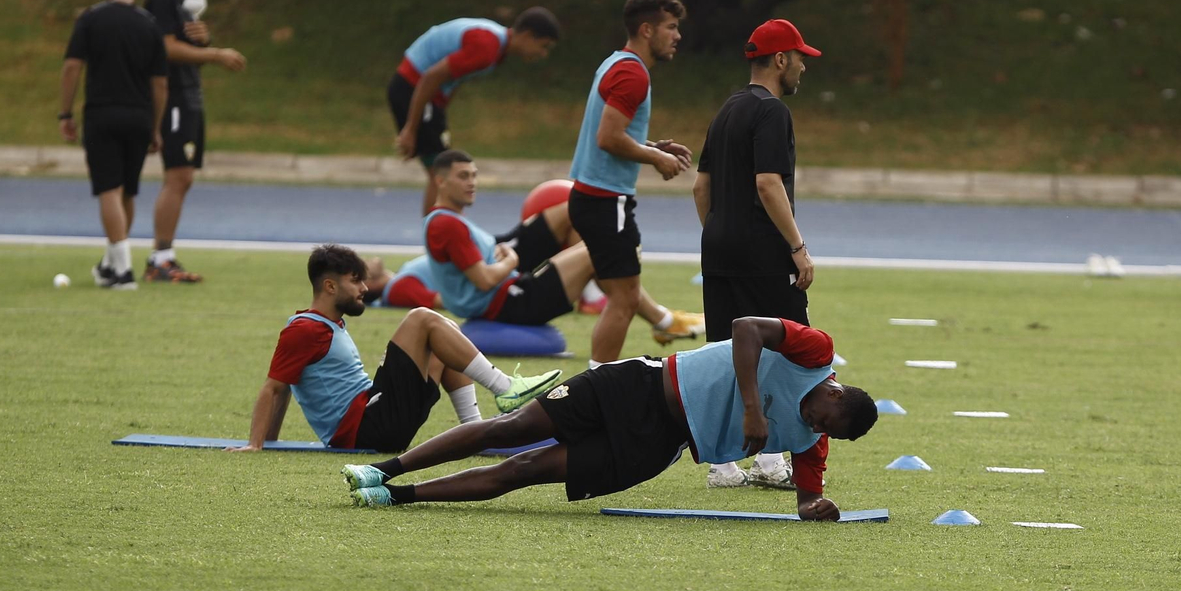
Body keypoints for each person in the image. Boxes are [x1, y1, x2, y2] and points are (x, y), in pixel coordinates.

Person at [340, 316, 879, 521]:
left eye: (830, 433)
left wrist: (815, 503)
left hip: (657, 443)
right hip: (638, 384)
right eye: (827, 417)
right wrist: (754, 407)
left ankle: (397, 497)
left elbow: (810, 492)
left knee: (527, 469)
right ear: (835, 390)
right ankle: (385, 468)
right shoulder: (815, 353)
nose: (817, 427)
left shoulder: (813, 437)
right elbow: (745, 328)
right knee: (512, 430)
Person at [229, 244, 562, 453]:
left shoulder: (329, 325)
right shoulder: (304, 329)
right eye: (355, 281)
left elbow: (284, 389)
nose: (364, 288)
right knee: (421, 319)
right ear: (329, 286)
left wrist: (268, 443)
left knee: (447, 338)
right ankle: (506, 389)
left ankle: (475, 432)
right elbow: (274, 387)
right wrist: (257, 444)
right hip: (365, 430)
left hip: (377, 421)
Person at [376, 151, 701, 343]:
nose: (472, 182)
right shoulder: (446, 224)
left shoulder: (445, 219)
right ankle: (662, 322)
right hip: (509, 299)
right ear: (440, 181)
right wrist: (511, 260)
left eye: (474, 175)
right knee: (602, 248)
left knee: (571, 209)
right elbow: (485, 281)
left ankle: (595, 295)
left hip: (506, 274)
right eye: (463, 176)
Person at [692, 18, 823, 490]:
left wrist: (720, 234)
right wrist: (797, 248)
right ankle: (771, 462)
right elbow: (768, 183)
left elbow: (700, 186)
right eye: (800, 57)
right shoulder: (772, 113)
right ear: (781, 59)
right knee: (790, 350)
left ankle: (721, 465)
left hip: (718, 246)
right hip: (763, 251)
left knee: (726, 354)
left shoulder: (726, 110)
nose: (804, 67)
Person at [567, 0, 704, 367]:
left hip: (593, 198)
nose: (677, 35)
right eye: (671, 27)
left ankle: (602, 378)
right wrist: (655, 158)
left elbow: (612, 131)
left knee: (624, 293)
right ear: (647, 30)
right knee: (624, 299)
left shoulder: (616, 63)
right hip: (605, 201)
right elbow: (608, 138)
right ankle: (596, 387)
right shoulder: (632, 74)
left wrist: (651, 146)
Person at [57, 0, 169, 291]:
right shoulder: (149, 24)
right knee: (127, 191)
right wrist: (156, 126)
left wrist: (65, 113)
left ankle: (122, 272)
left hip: (102, 114)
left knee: (108, 189)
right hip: (139, 115)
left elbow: (72, 68)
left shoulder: (90, 19)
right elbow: (160, 82)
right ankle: (109, 266)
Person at [390, 8, 562, 215]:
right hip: (413, 87)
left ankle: (440, 233)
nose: (542, 54)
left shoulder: (496, 47)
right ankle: (437, 238)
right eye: (543, 46)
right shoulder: (487, 46)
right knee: (442, 174)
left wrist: (439, 114)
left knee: (442, 170)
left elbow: (454, 78)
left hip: (425, 95)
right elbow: (430, 77)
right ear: (526, 36)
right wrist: (411, 128)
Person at [144, 0, 247, 283]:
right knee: (178, 175)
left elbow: (183, 42)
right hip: (173, 97)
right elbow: (165, 47)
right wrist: (215, 54)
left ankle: (165, 256)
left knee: (183, 177)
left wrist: (202, 40)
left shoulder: (184, 3)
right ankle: (159, 258)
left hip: (189, 96)